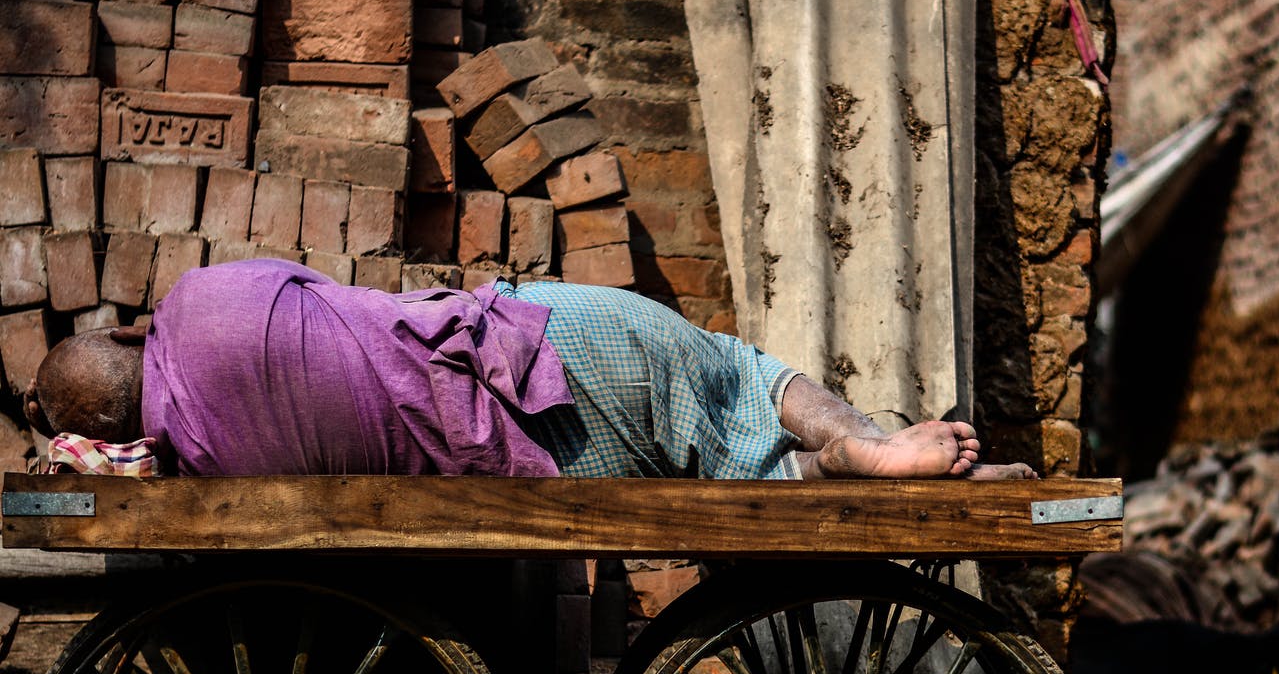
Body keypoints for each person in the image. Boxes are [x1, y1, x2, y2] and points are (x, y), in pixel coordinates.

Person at [23, 258, 1036, 481]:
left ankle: (839, 461)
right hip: (541, 343)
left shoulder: (203, 457)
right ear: (120, 340)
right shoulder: (200, 302)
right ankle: (861, 442)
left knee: (732, 465)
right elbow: (329, 292)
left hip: (530, 458)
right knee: (734, 369)